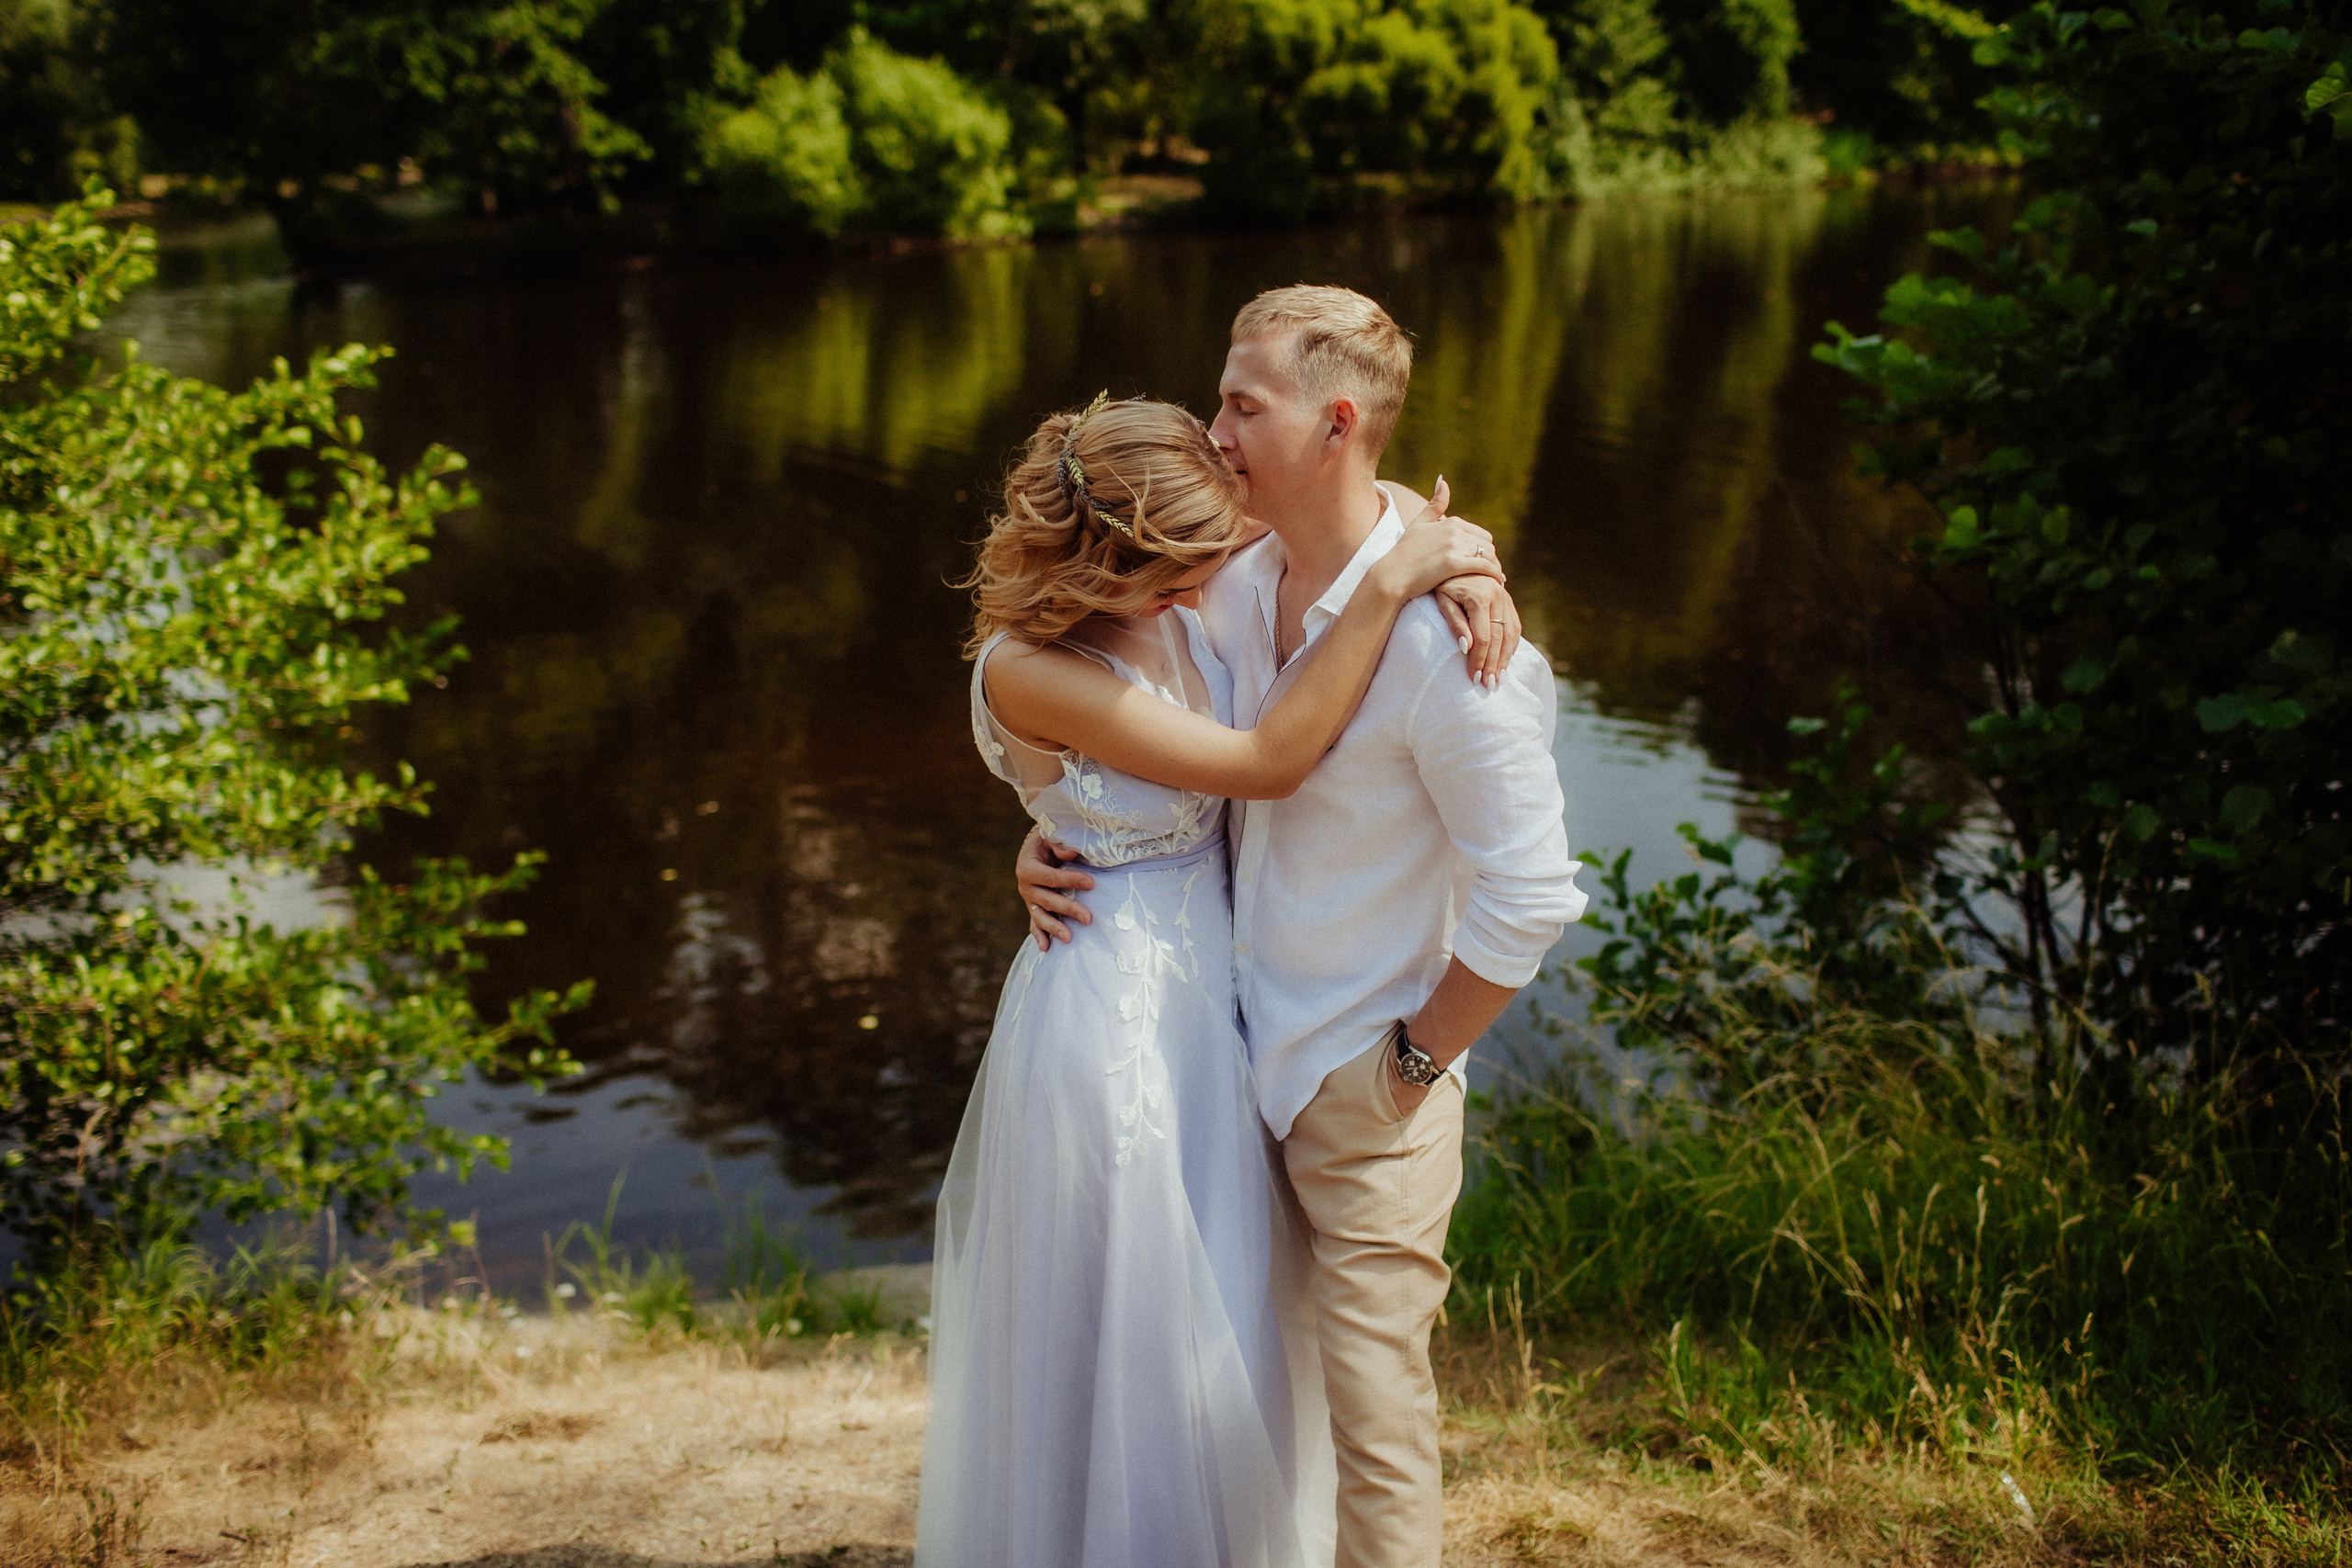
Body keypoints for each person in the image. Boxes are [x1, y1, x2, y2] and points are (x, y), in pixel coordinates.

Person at [1019, 288, 1589, 1568]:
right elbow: (1131, 734)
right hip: (1218, 1055)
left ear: (1338, 421)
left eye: (1240, 402)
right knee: (1248, 1394)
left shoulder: (1452, 650)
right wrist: (1054, 826)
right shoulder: (1235, 579)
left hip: (1359, 1071)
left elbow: (1534, 891)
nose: (1212, 425)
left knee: (1377, 1426)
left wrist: (1414, 1062)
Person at [917, 392, 1512, 1568]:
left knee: (1229, 1315)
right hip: (1112, 1028)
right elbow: (1263, 761)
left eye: (1202, 559)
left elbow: (1349, 501)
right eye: (1168, 576)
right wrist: (1396, 584)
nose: (1199, 591)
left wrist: (1466, 561)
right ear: (1099, 560)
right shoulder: (1028, 666)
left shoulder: (1180, 554)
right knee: (1129, 1326)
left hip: (1220, 1011)